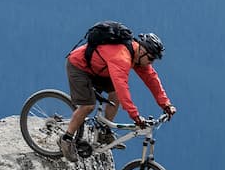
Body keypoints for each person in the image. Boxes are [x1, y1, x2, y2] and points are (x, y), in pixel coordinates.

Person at [60, 29, 177, 161]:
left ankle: (104, 131)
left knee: (114, 95)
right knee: (88, 106)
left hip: (100, 69)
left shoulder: (137, 56)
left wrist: (166, 104)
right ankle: (67, 139)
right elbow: (122, 88)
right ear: (142, 51)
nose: (151, 62)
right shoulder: (122, 57)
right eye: (150, 59)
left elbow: (152, 79)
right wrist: (135, 115)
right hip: (79, 66)